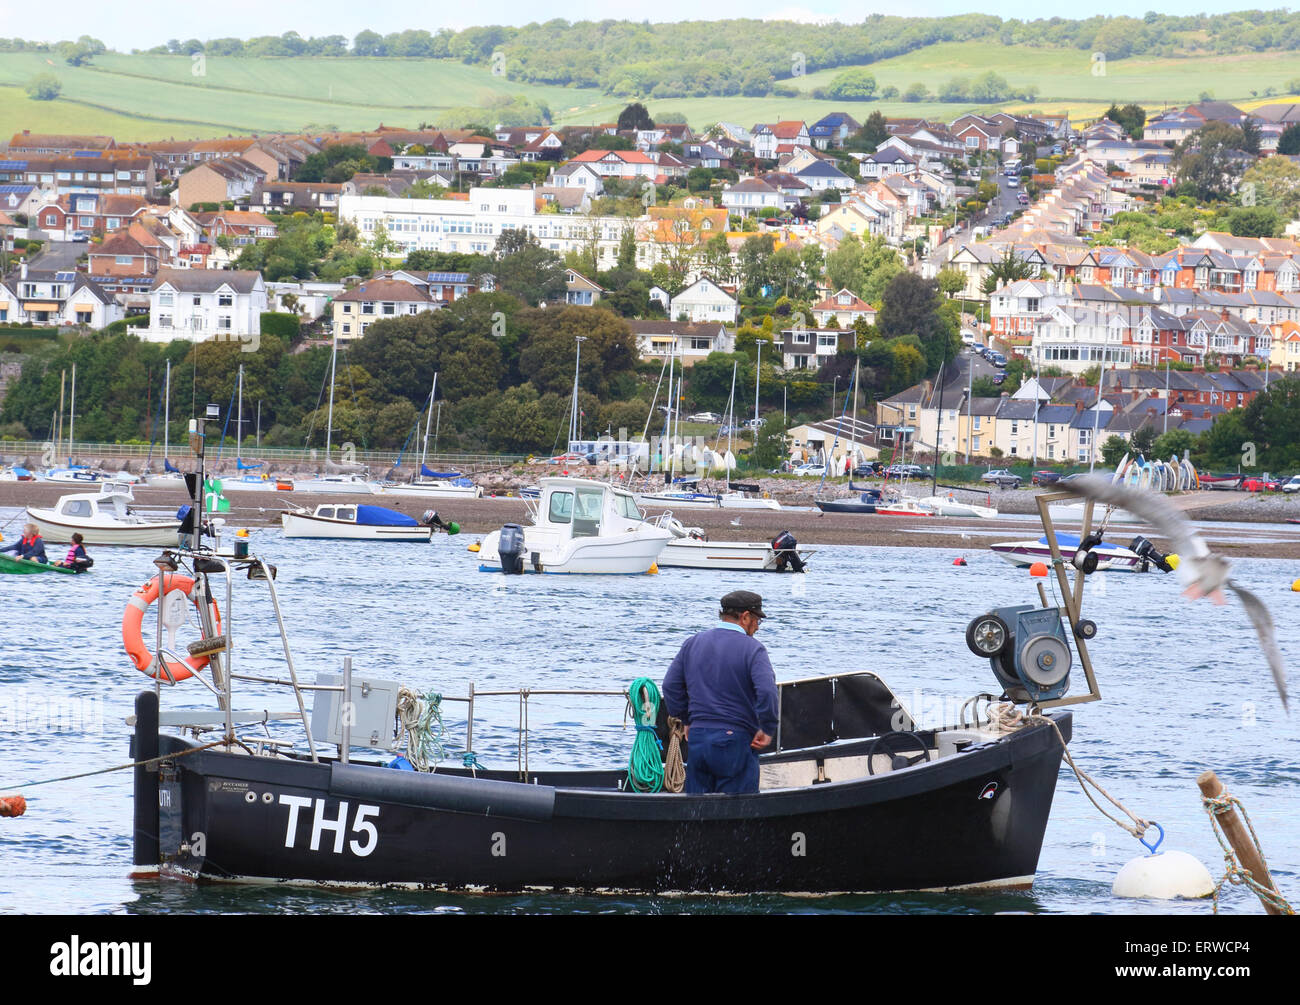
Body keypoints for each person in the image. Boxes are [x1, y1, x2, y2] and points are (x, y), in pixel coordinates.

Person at [663, 590, 779, 795]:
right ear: (745, 617)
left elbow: (671, 686)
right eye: (757, 621)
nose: (757, 628)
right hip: (736, 741)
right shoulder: (753, 649)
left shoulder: (692, 643)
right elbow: (767, 692)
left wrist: (688, 720)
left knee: (696, 810)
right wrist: (767, 727)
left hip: (699, 738)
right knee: (738, 813)